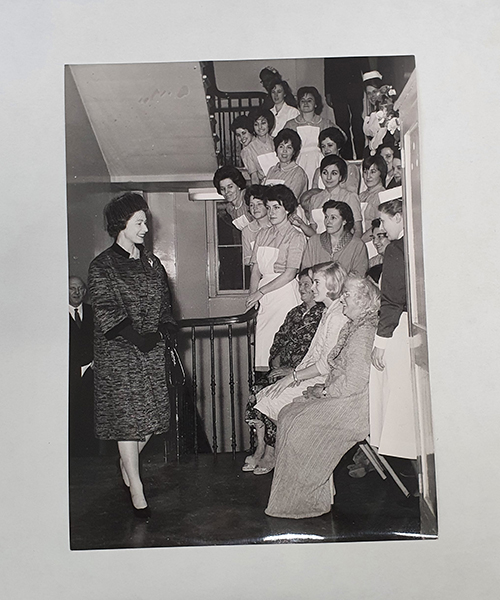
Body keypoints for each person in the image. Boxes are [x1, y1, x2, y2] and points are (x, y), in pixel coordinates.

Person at [87, 193, 178, 516]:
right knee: (128, 423)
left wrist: (165, 328)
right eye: (139, 223)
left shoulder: (152, 263)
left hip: (151, 352)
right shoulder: (102, 266)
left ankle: (128, 462)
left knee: (153, 420)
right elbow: (107, 311)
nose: (145, 229)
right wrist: (137, 338)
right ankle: (137, 487)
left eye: (146, 222)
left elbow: (165, 305)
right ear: (120, 225)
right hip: (119, 355)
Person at [264, 275, 380, 519]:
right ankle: (307, 495)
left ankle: (304, 501)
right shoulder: (354, 325)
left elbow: (354, 383)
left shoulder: (364, 332)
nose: (343, 298)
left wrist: (323, 392)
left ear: (362, 300)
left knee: (298, 424)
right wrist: (322, 390)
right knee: (289, 413)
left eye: (347, 294)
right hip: (342, 396)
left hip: (352, 406)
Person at [244, 262, 348, 474]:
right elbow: (311, 354)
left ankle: (296, 454)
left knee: (269, 400)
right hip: (308, 374)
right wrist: (292, 374)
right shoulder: (329, 312)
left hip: (324, 382)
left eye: (315, 282)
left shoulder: (336, 315)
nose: (311, 288)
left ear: (331, 284)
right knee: (263, 398)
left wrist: (292, 377)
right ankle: (291, 452)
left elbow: (325, 364)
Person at [369, 199, 417, 462]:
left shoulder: (396, 249)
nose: (383, 228)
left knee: (398, 400)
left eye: (385, 221)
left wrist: (380, 342)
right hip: (419, 328)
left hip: (400, 329)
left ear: (398, 217)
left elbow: (391, 300)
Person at [246, 185, 306, 371]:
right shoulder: (263, 234)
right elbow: (256, 268)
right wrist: (252, 294)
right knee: (263, 349)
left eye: (276, 207)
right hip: (265, 297)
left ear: (287, 209)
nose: (271, 212)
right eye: (269, 207)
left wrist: (260, 292)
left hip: (285, 294)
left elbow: (290, 273)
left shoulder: (296, 236)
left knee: (283, 349)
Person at [284, 86, 335, 187]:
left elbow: (341, 137)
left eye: (309, 100)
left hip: (319, 161)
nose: (306, 103)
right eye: (302, 100)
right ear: (298, 104)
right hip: (298, 161)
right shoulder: (291, 124)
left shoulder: (325, 123)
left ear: (316, 104)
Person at [301, 200, 368, 276]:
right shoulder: (314, 241)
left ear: (344, 221)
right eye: (326, 217)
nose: (327, 221)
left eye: (333, 218)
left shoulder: (357, 245)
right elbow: (305, 271)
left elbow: (359, 275)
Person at [302, 155, 362, 238]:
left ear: (341, 176)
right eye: (325, 173)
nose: (328, 177)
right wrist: (301, 224)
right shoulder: (315, 199)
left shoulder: (350, 197)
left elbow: (358, 230)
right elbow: (313, 232)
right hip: (320, 246)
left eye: (334, 173)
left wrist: (351, 248)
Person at [68, 275, 96, 457]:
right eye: (72, 288)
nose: (76, 292)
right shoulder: (53, 315)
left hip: (92, 371)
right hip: (68, 375)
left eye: (80, 289)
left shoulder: (93, 312)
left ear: (85, 292)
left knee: (90, 417)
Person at [311, 127, 361, 194]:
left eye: (330, 145)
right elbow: (313, 195)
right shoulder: (318, 171)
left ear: (339, 146)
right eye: (323, 146)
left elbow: (352, 194)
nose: (326, 150)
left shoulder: (350, 168)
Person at [264, 128, 308, 200]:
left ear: (294, 152)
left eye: (289, 147)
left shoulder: (298, 173)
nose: (284, 151)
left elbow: (290, 200)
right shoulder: (271, 170)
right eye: (281, 146)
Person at [240, 107, 278, 184]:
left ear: (269, 124)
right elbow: (254, 177)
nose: (260, 127)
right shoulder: (248, 150)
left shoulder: (278, 142)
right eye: (256, 124)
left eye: (263, 123)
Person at [213, 165, 252, 230]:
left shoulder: (249, 198)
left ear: (238, 185)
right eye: (223, 189)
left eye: (230, 187)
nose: (227, 192)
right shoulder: (230, 208)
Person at [241, 185, 271, 266]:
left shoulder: (277, 225)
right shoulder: (246, 231)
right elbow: (247, 260)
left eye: (259, 204)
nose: (255, 208)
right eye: (251, 205)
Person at [359, 154, 387, 233]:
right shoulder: (361, 196)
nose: (368, 176)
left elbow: (378, 226)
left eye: (373, 172)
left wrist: (359, 242)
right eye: (365, 172)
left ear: (381, 173)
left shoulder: (383, 196)